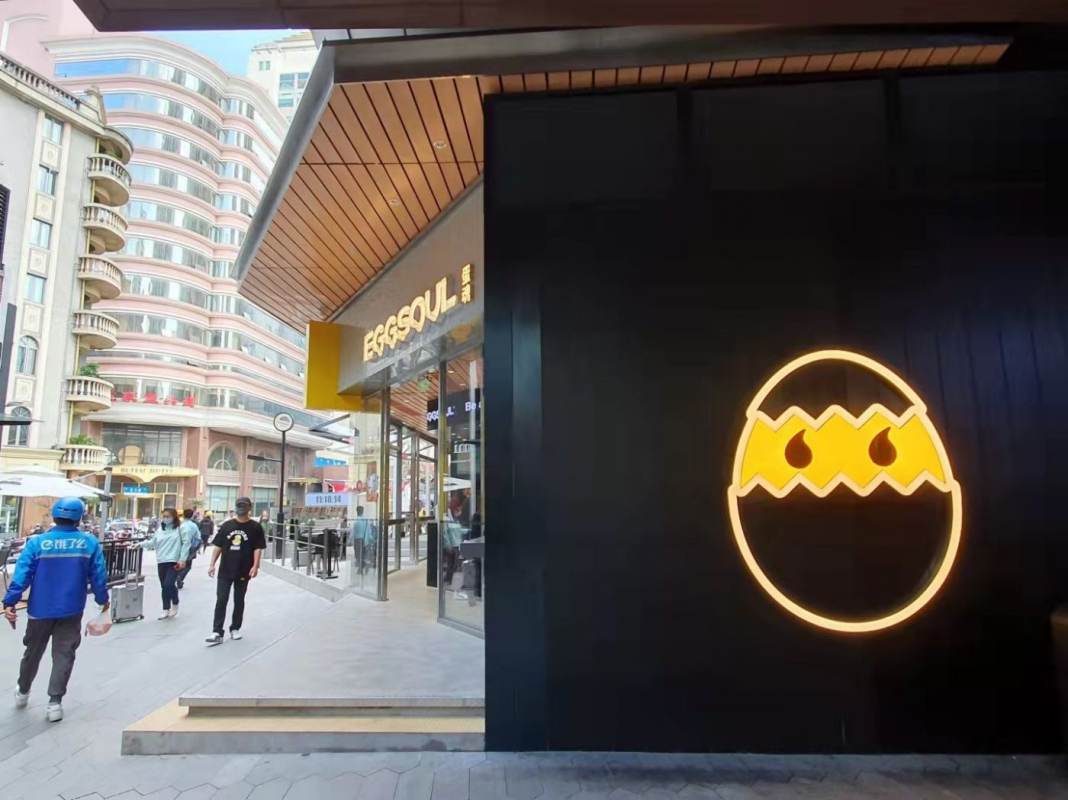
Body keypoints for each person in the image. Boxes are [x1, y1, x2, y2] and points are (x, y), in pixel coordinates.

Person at [3, 497, 109, 723]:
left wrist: (10, 601)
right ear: (79, 518)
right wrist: (103, 600)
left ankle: (23, 690)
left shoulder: (37, 543)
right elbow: (99, 576)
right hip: (71, 609)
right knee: (64, 654)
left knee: (32, 652)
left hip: (39, 609)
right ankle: (54, 703)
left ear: (54, 515)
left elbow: (22, 575)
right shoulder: (89, 543)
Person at [205, 497, 265, 646]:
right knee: (221, 599)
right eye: (239, 505)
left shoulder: (255, 527)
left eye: (244, 506)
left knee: (239, 599)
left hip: (244, 570)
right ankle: (217, 631)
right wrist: (212, 564)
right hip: (225, 569)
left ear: (249, 507)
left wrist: (255, 566)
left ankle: (235, 628)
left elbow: (258, 548)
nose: (241, 508)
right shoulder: (227, 525)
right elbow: (218, 546)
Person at [136, 508, 189, 620]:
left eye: (168, 516)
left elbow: (186, 544)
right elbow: (153, 542)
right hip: (161, 561)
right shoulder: (160, 530)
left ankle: (174, 603)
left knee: (168, 584)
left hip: (174, 561)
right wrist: (140, 544)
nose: (165, 519)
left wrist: (182, 559)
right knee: (164, 586)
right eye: (164, 516)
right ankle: (166, 608)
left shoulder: (180, 529)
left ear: (174, 517)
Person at [175, 508, 200, 590]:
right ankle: (180, 577)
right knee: (188, 566)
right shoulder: (193, 525)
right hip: (190, 547)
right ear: (192, 516)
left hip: (178, 546)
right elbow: (198, 537)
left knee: (179, 563)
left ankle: (177, 576)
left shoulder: (180, 524)